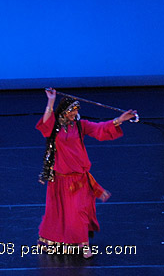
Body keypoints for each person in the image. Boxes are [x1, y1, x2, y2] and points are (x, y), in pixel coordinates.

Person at [36, 88, 137, 258]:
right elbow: (45, 124)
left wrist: (119, 120)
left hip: (79, 180)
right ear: (65, 111)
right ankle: (63, 242)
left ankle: (85, 246)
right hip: (60, 180)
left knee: (79, 213)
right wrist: (51, 100)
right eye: (72, 110)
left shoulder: (81, 126)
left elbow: (100, 129)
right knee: (59, 214)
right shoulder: (54, 128)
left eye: (76, 110)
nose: (74, 113)